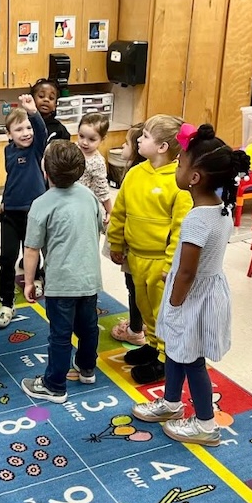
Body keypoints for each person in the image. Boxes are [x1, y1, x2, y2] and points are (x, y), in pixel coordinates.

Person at [132, 124, 251, 447]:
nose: (177, 169)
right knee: (176, 349)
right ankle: (171, 403)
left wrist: (173, 302)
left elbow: (186, 271)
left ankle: (206, 424)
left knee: (192, 360)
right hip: (206, 291)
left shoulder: (198, 218)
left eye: (181, 164)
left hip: (191, 297)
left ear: (195, 177)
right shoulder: (221, 208)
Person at [107, 115, 193, 384]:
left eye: (144, 136)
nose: (139, 140)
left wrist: (171, 265)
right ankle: (153, 346)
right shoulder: (134, 173)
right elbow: (120, 211)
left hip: (160, 264)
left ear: (163, 147)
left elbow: (180, 231)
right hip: (135, 257)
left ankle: (166, 359)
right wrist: (116, 242)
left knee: (162, 312)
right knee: (143, 307)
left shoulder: (179, 182)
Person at [20, 141, 103, 402]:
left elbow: (31, 249)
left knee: (60, 334)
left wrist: (29, 282)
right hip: (89, 278)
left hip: (61, 283)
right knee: (89, 327)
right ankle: (87, 367)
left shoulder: (41, 204)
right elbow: (99, 225)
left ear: (46, 170)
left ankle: (55, 384)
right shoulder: (89, 195)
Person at [0, 95, 47, 329]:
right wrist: (4, 200)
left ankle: (38, 279)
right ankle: (6, 303)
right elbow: (11, 178)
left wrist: (33, 113)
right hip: (11, 212)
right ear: (9, 134)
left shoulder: (36, 148)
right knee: (7, 258)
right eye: (19, 129)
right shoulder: (8, 152)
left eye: (27, 128)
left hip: (34, 212)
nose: (25, 132)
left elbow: (41, 132)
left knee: (34, 253)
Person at [107, 123, 147, 347]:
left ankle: (134, 329)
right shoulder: (146, 173)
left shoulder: (134, 174)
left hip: (135, 245)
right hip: (146, 245)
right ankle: (141, 323)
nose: (123, 146)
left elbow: (123, 212)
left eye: (126, 143)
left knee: (134, 286)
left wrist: (116, 242)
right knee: (140, 287)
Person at [76, 112, 113, 223]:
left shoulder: (97, 162)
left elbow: (102, 190)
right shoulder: (72, 149)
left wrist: (110, 211)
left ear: (102, 139)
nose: (85, 142)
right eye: (81, 136)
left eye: (92, 139)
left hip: (86, 206)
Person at [31, 78, 69, 144]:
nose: (46, 100)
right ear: (32, 100)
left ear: (55, 106)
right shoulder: (25, 124)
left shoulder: (60, 130)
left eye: (51, 98)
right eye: (41, 96)